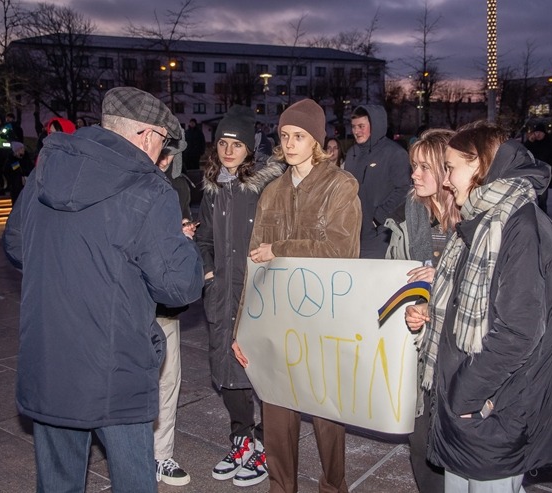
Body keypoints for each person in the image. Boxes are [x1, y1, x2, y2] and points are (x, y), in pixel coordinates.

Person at [2, 86, 204, 493]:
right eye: (163, 143)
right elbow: (179, 286)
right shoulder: (150, 190)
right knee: (133, 479)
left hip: (50, 359)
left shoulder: (45, 169)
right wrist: (182, 244)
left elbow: (16, 245)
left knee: (58, 481)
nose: (162, 156)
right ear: (147, 135)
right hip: (116, 368)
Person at [405, 121, 552, 492]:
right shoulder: (482, 220)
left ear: (479, 166)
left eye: (452, 168)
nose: (445, 180)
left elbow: (519, 331)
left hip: (492, 408)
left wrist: (465, 394)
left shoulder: (517, 226)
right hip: (467, 408)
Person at [233, 99, 361, 493]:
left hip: (324, 316)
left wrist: (281, 248)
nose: (289, 143)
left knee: (326, 414)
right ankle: (280, 487)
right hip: (277, 315)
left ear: (317, 141)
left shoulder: (341, 185)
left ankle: (332, 486)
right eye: (285, 135)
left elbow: (341, 249)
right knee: (275, 410)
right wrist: (242, 327)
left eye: (299, 136)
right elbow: (255, 266)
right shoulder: (271, 191)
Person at [197, 105, 285, 487]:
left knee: (261, 370)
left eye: (236, 144)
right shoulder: (212, 188)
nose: (228, 150)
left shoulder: (267, 185)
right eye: (223, 143)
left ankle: (266, 444)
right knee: (227, 371)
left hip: (258, 294)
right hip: (222, 293)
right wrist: (208, 270)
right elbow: (203, 238)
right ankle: (242, 440)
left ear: (251, 148)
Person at [389, 128, 459, 493]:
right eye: (412, 166)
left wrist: (443, 279)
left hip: (461, 351)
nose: (414, 175)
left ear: (448, 171)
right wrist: (416, 305)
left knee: (455, 445)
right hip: (422, 347)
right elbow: (406, 273)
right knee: (420, 441)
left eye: (423, 167)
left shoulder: (471, 218)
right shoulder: (413, 210)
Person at [151, 137, 197, 487]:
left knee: (169, 379)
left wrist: (184, 237)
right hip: (128, 304)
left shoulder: (176, 189)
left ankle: (161, 455)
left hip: (163, 304)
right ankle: (134, 453)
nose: (165, 160)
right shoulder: (125, 187)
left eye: (169, 154)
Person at [344, 105, 411, 258]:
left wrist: (379, 217)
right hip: (352, 235)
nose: (356, 131)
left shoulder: (395, 154)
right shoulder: (351, 154)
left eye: (362, 126)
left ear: (375, 126)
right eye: (354, 127)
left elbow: (404, 189)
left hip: (380, 235)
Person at [523, 123, 552, 214]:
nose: (538, 135)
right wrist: (529, 142)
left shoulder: (549, 143)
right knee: (530, 199)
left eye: (540, 132)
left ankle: (543, 219)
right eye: (536, 132)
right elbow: (523, 153)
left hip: (544, 176)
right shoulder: (531, 143)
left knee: (542, 200)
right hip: (531, 175)